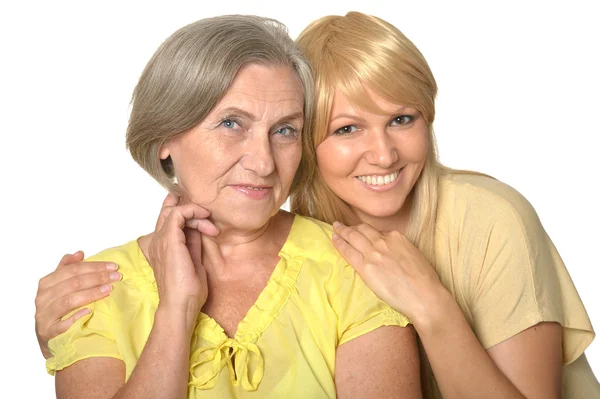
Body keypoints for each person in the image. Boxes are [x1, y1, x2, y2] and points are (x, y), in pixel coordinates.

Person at [35, 11, 599, 399]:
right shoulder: (296, 201)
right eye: (347, 127)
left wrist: (430, 303)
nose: (261, 161)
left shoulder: (482, 218)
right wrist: (154, 314)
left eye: (403, 118)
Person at [35, 14, 421, 399]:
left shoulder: (356, 270)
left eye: (285, 130)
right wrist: (176, 312)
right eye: (231, 124)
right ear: (166, 135)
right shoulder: (92, 291)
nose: (264, 162)